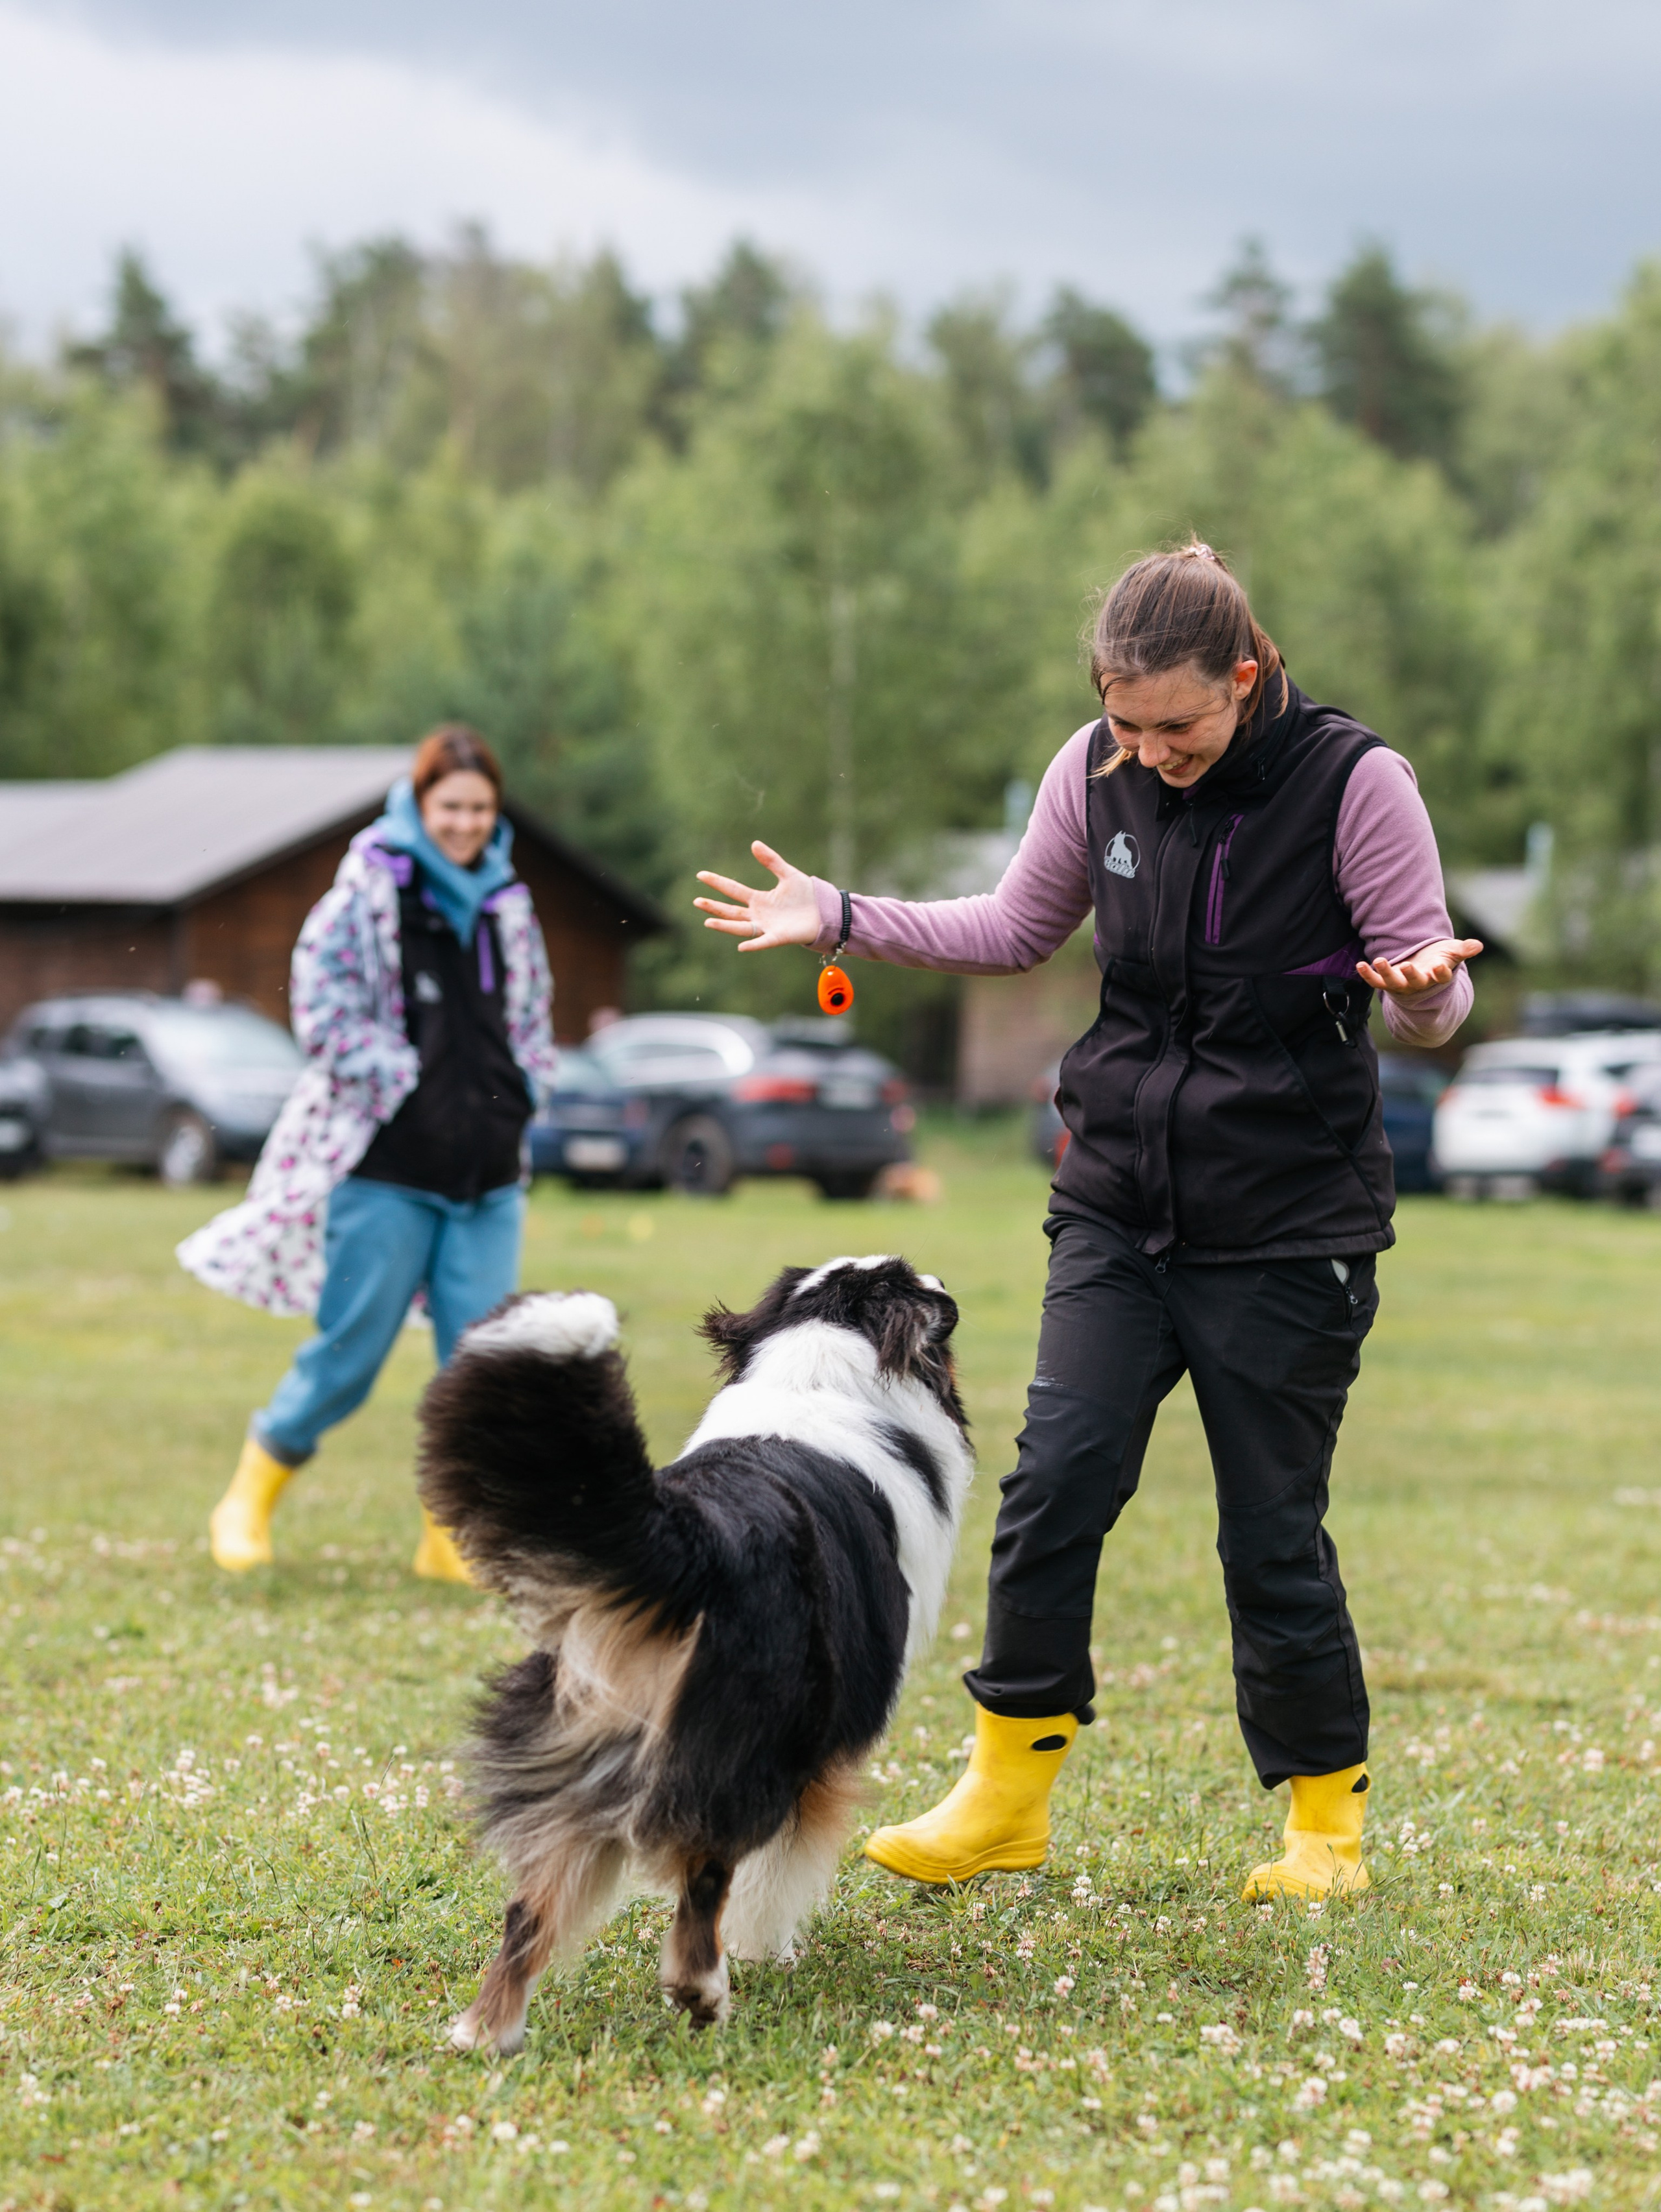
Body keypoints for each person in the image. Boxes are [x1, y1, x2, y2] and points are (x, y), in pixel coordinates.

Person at [694, 542, 1479, 1901]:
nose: (1150, 754)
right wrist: (841, 915)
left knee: (1270, 1529)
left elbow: (1434, 997)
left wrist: (1419, 995)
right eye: (1125, 725)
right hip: (1118, 1200)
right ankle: (1004, 1796)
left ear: (1246, 677)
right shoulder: (1095, 767)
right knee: (1053, 1484)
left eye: (1178, 726)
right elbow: (1013, 928)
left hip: (1287, 1222)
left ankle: (1324, 1828)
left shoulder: (1357, 784)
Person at [179, 725, 557, 1580]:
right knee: (350, 1354)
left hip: (489, 1175)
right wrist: (402, 1081)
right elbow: (321, 1009)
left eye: (480, 808)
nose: (465, 823)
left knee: (479, 1367)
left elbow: (533, 1017)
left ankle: (446, 1535)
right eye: (450, 806)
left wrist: (526, 1087)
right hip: (388, 1169)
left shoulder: (510, 903)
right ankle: (247, 1496)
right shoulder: (368, 891)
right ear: (419, 805)